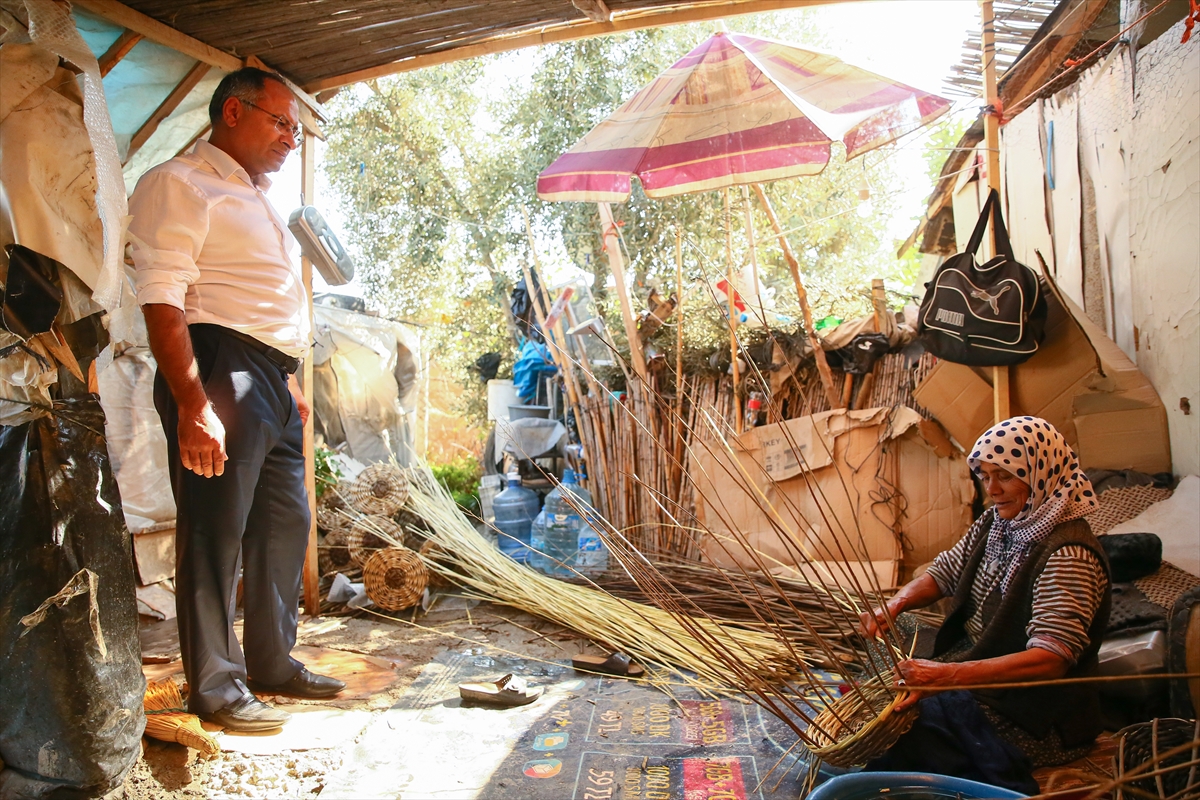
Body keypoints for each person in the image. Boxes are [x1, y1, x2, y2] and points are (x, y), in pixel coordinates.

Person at [128, 68, 344, 732]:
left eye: (296, 129)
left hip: (271, 382)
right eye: (280, 123)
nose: (290, 138)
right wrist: (193, 404)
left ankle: (273, 663)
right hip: (219, 368)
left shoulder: (253, 198)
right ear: (232, 112)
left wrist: (288, 380)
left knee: (285, 524)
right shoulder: (180, 183)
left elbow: (258, 301)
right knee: (215, 528)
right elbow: (163, 299)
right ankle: (217, 688)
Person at [858, 416, 1110, 793]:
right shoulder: (1000, 521)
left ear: (1041, 473)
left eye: (1005, 476)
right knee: (892, 639)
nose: (992, 489)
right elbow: (946, 571)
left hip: (1032, 707)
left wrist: (943, 677)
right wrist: (893, 607)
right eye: (985, 475)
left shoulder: (1068, 553)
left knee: (911, 725)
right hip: (978, 653)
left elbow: (1051, 657)